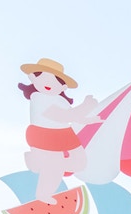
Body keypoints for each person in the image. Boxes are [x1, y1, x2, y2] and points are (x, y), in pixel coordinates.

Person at [18, 58, 101, 204]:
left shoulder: (59, 101)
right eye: (41, 76)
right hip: (45, 136)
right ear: (32, 77)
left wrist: (91, 120)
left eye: (56, 80)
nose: (49, 83)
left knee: (79, 163)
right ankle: (43, 190)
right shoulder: (39, 98)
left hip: (64, 135)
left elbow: (72, 117)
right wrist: (86, 106)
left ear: (62, 87)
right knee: (54, 168)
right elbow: (63, 116)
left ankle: (38, 162)